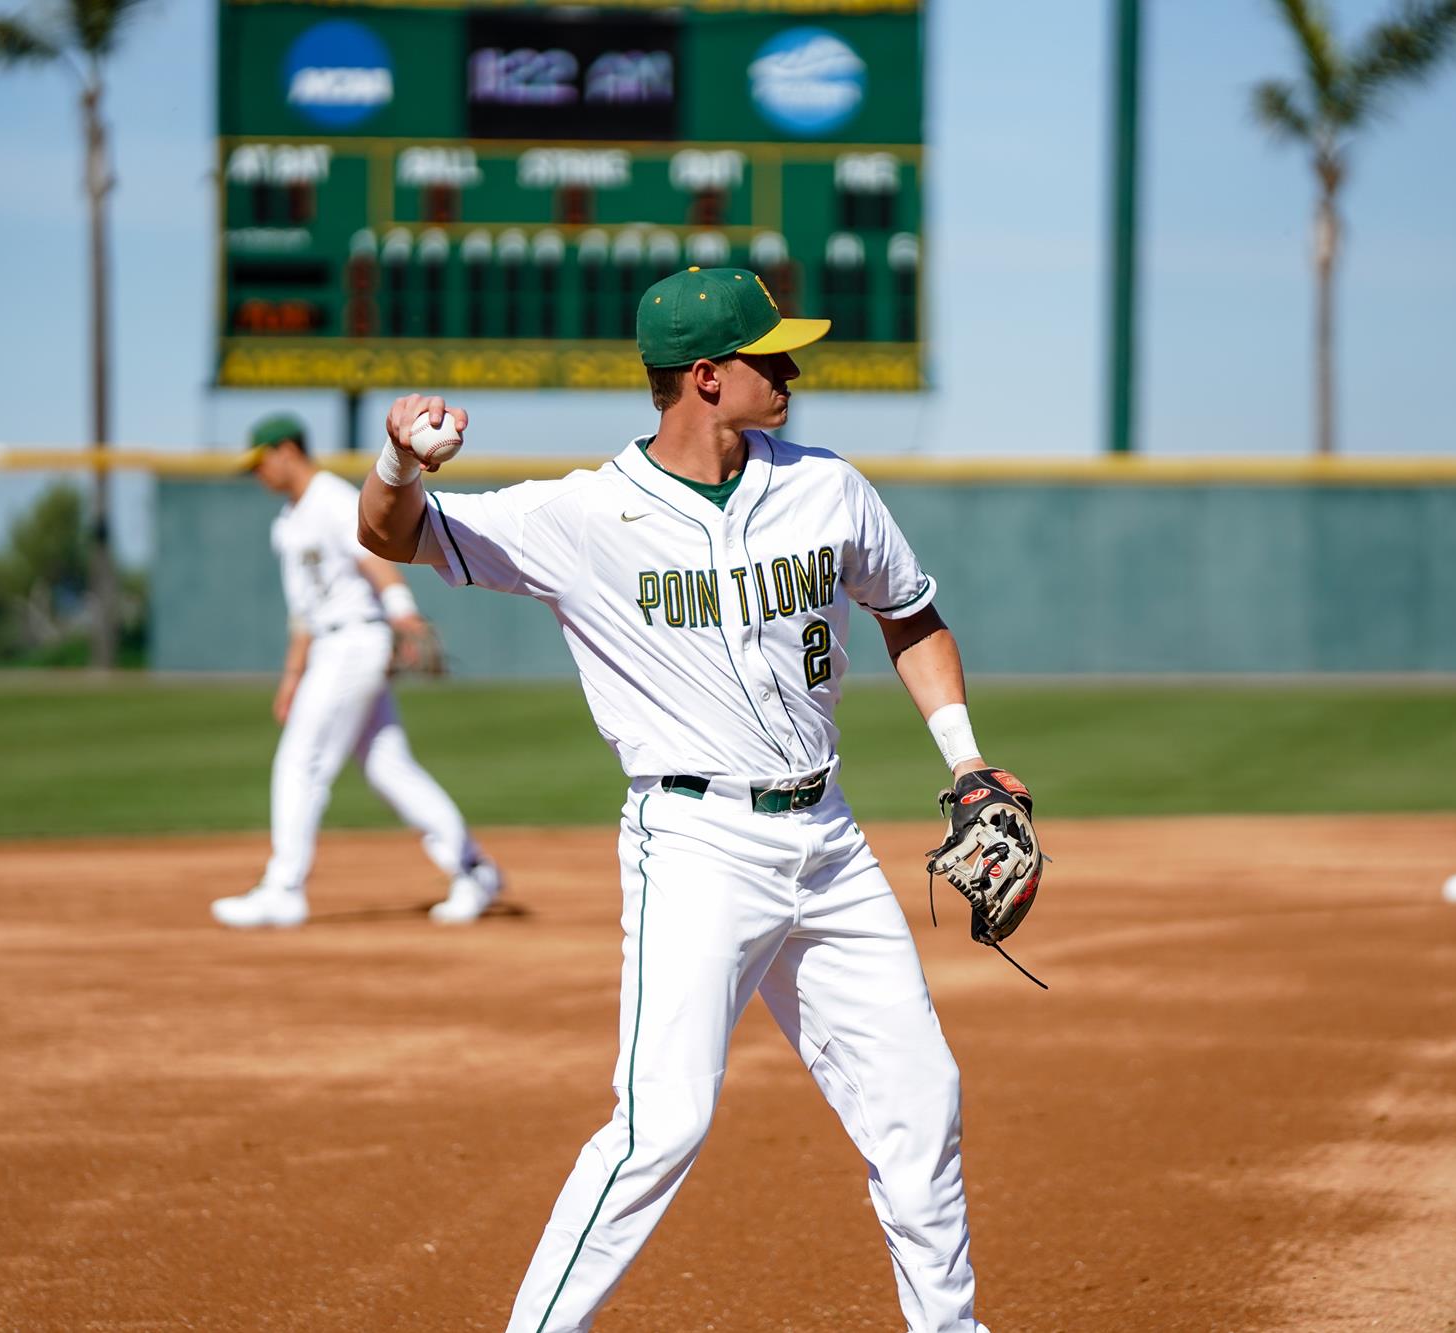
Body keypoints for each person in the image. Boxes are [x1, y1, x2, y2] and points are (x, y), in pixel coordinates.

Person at [359, 268, 1025, 1332]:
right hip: (695, 843)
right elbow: (396, 536)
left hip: (830, 838)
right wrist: (396, 460)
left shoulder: (828, 487)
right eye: (770, 355)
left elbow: (908, 614)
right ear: (706, 378)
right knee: (658, 1123)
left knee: (919, 1099)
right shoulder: (583, 513)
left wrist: (963, 756)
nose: (793, 368)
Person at [211, 414, 502, 929]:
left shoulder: (330, 500)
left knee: (301, 761)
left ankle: (284, 887)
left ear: (286, 451)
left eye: (260, 461)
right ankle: (473, 868)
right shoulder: (289, 520)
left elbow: (373, 556)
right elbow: (304, 612)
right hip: (330, 645)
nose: (258, 474)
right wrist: (292, 676)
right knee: (389, 769)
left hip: (356, 640)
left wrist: (400, 609)